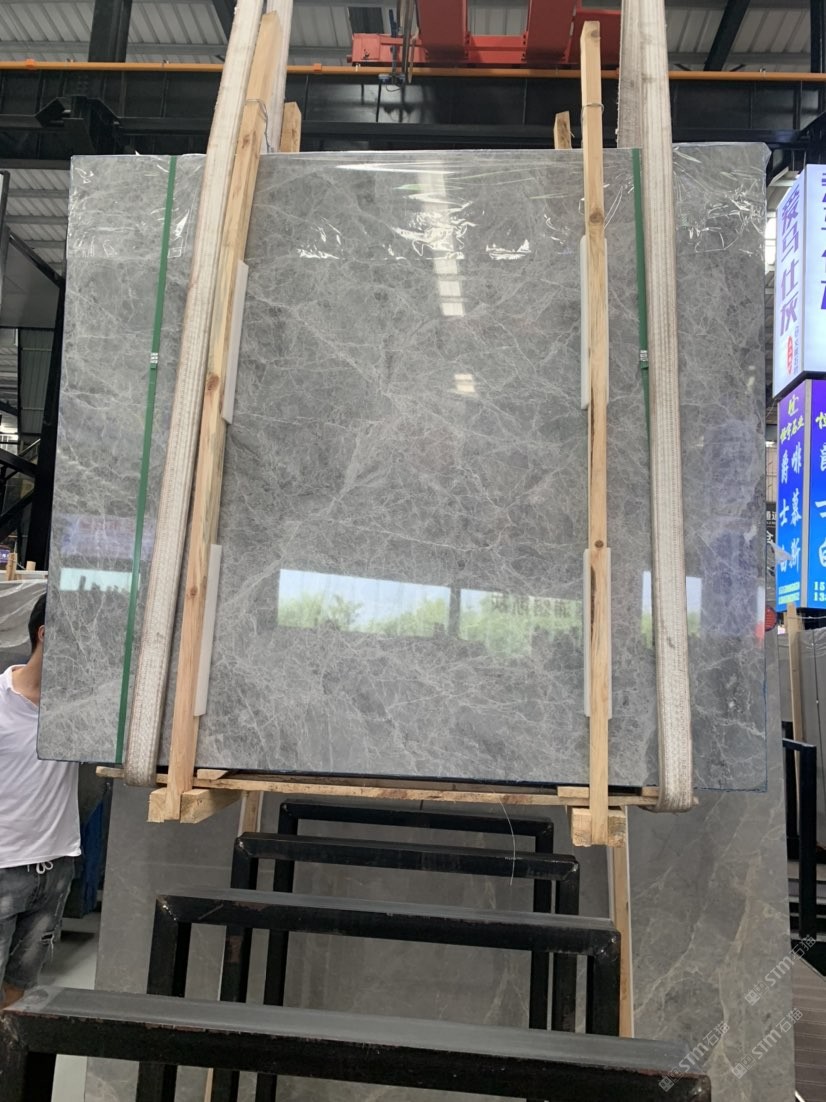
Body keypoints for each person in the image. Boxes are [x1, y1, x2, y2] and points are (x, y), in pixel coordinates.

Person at [0, 594, 79, 1009]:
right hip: (3, 866)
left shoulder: (78, 711)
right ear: (45, 635)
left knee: (20, 992)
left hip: (55, 867)